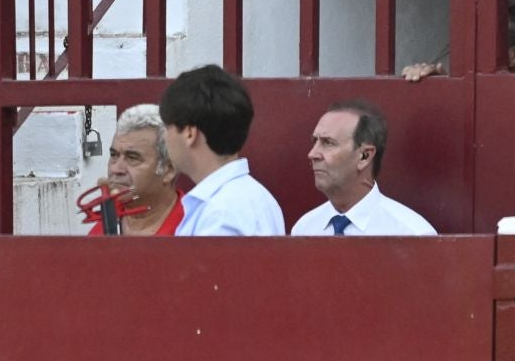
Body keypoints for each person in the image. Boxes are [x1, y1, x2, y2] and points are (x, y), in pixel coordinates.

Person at [159, 64, 283, 238]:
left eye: (166, 127)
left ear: (189, 133)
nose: (164, 137)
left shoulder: (221, 212)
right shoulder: (256, 197)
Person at [291, 101, 435, 237]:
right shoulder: (304, 228)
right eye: (314, 141)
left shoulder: (412, 233)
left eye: (328, 143)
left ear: (364, 156)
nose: (312, 154)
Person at [86, 103, 183, 237]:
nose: (116, 169)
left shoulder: (196, 228)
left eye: (132, 158)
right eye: (114, 155)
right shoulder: (103, 226)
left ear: (169, 170)